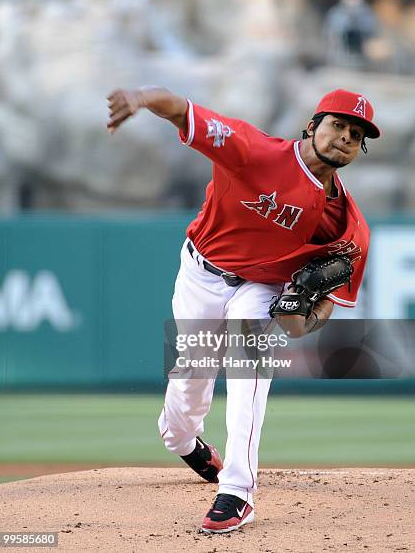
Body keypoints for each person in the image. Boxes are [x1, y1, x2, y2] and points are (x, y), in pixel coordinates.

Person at [106, 86, 380, 533]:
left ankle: (237, 490)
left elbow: (314, 316)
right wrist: (140, 98)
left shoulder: (348, 228)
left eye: (357, 134)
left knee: (248, 354)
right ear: (312, 126)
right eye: (338, 124)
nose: (346, 137)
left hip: (262, 286)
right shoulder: (253, 151)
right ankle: (184, 441)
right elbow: (182, 112)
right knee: (186, 394)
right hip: (201, 272)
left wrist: (299, 317)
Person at [324, 0, 378, 67]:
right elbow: (330, 33)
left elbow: (372, 31)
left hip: (363, 58)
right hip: (341, 57)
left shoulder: (366, 12)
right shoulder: (336, 13)